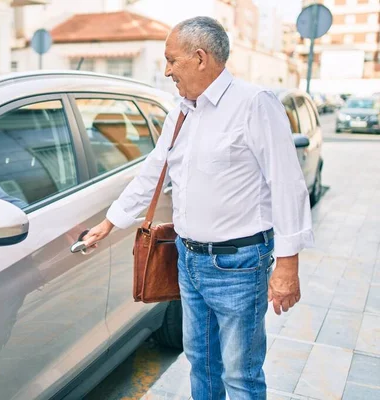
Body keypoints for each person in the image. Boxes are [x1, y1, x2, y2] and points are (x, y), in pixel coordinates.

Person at [82, 16, 314, 399]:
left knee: (241, 375)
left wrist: (288, 265)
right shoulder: (182, 111)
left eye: (172, 60)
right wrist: (110, 222)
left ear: (201, 58)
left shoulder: (254, 104)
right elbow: (153, 170)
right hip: (188, 261)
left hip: (238, 264)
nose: (167, 69)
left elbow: (287, 185)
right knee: (201, 364)